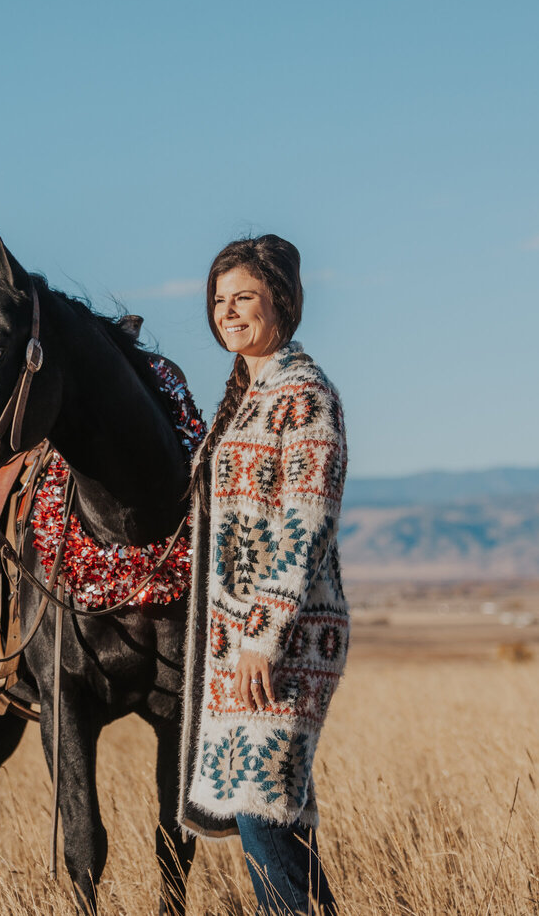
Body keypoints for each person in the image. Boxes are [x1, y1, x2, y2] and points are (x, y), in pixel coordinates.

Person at [177, 234, 347, 915]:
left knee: (262, 813)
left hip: (285, 642)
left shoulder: (303, 395)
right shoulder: (247, 398)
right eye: (219, 300)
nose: (228, 311)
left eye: (242, 296)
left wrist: (264, 635)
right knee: (276, 822)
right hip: (239, 647)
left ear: (281, 300)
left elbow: (308, 520)